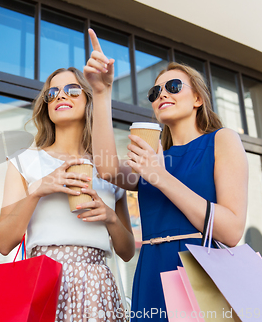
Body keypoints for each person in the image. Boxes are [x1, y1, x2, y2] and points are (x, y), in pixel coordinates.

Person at [84, 29, 248, 321]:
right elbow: (107, 169)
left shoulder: (221, 140)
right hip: (151, 274)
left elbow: (232, 230)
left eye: (173, 86)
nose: (162, 95)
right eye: (155, 92)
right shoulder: (153, 157)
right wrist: (100, 92)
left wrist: (159, 176)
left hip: (201, 272)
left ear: (198, 97)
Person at [0, 67, 135, 321]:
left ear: (88, 100)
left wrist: (110, 218)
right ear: (46, 105)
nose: (61, 96)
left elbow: (126, 252)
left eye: (72, 90)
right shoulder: (24, 161)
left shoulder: (108, 168)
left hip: (97, 289)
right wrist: (39, 189)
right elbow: (4, 243)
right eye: (53, 93)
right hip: (43, 282)